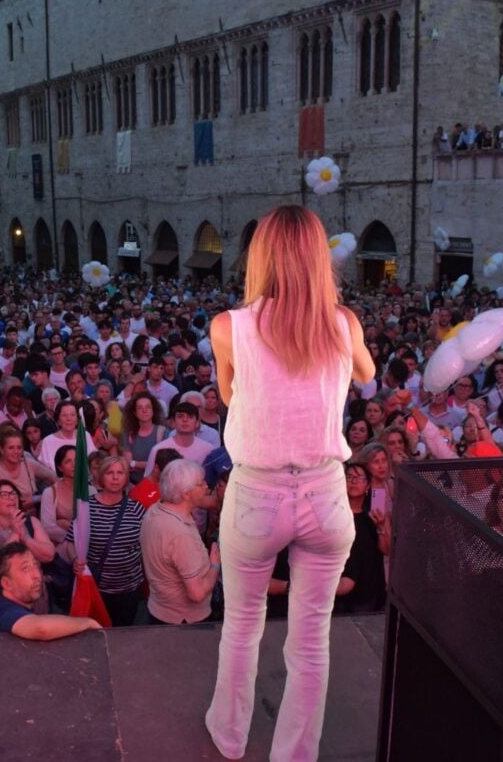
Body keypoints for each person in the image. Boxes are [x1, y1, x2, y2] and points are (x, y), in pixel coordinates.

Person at [205, 205, 375, 762]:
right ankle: (295, 755)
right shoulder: (344, 323)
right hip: (326, 494)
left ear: (262, 256)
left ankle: (229, 737)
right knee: (311, 641)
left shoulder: (229, 327)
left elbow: (231, 398)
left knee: (242, 628)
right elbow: (368, 375)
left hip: (258, 494)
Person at [64, 455, 146, 627]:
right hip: (97, 588)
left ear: (126, 478)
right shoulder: (86, 508)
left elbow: (147, 545)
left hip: (129, 589)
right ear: (101, 476)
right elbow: (71, 541)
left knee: (123, 634)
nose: (115, 477)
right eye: (110, 473)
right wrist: (75, 560)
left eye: (120, 473)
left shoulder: (137, 509)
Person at [140, 458, 221, 625]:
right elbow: (197, 594)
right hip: (185, 622)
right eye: (201, 483)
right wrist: (214, 565)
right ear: (186, 494)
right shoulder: (180, 535)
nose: (207, 486)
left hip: (159, 610)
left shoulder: (155, 510)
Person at [0, 541, 102, 638]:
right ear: (6, 583)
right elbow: (40, 629)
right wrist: (87, 623)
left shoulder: (10, 602)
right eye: (25, 568)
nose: (36, 575)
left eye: (36, 565)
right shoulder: (2, 610)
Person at [335, 461, 388, 614]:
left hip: (369, 587)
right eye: (349, 477)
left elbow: (386, 549)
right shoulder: (333, 513)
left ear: (368, 485)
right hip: (339, 587)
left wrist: (380, 526)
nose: (353, 482)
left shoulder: (375, 511)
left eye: (359, 478)